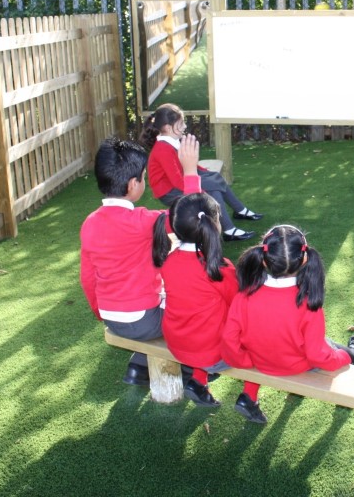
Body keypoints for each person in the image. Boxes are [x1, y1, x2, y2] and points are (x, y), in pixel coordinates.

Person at [79, 135, 201, 386]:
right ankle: (191, 368)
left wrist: (100, 312)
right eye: (143, 177)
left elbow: (87, 277)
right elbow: (192, 215)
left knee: (164, 293)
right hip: (144, 319)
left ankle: (138, 363)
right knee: (195, 304)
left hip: (111, 315)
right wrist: (190, 170)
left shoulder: (90, 223)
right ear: (134, 184)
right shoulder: (143, 221)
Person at [221, 225, 354, 423]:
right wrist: (341, 358)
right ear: (304, 258)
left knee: (269, 339)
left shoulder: (244, 295)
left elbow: (229, 338)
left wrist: (244, 361)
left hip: (259, 359)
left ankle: (249, 395)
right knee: (340, 351)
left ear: (263, 258)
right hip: (295, 364)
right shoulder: (307, 302)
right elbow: (316, 354)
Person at [157, 193, 238, 408]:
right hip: (213, 353)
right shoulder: (219, 268)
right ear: (214, 224)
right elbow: (238, 305)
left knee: (205, 324)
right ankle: (249, 397)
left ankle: (198, 381)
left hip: (177, 344)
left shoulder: (169, 261)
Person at [141, 103, 262, 242]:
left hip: (181, 179)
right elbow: (177, 181)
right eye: (181, 124)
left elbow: (189, 166)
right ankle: (232, 224)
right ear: (168, 128)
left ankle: (234, 219)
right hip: (169, 191)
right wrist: (202, 188)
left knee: (215, 179)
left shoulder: (173, 141)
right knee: (213, 189)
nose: (185, 127)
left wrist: (206, 174)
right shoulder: (163, 149)